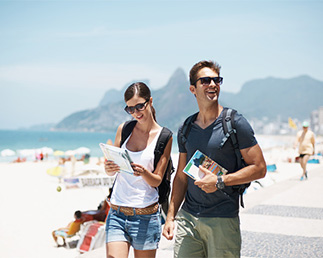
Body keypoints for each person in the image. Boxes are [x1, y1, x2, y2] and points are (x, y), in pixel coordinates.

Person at [162, 60, 267, 258]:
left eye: (216, 80)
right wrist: (170, 216)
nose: (212, 84)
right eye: (206, 80)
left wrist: (219, 181)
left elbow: (260, 168)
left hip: (223, 219)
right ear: (193, 89)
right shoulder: (186, 128)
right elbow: (182, 177)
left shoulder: (235, 123)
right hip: (189, 219)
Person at [104, 82, 173, 258]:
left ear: (150, 101)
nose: (136, 113)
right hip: (117, 213)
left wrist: (143, 173)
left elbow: (157, 179)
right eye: (130, 109)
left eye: (139, 106)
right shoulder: (124, 129)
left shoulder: (164, 136)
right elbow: (113, 170)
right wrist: (109, 168)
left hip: (146, 217)